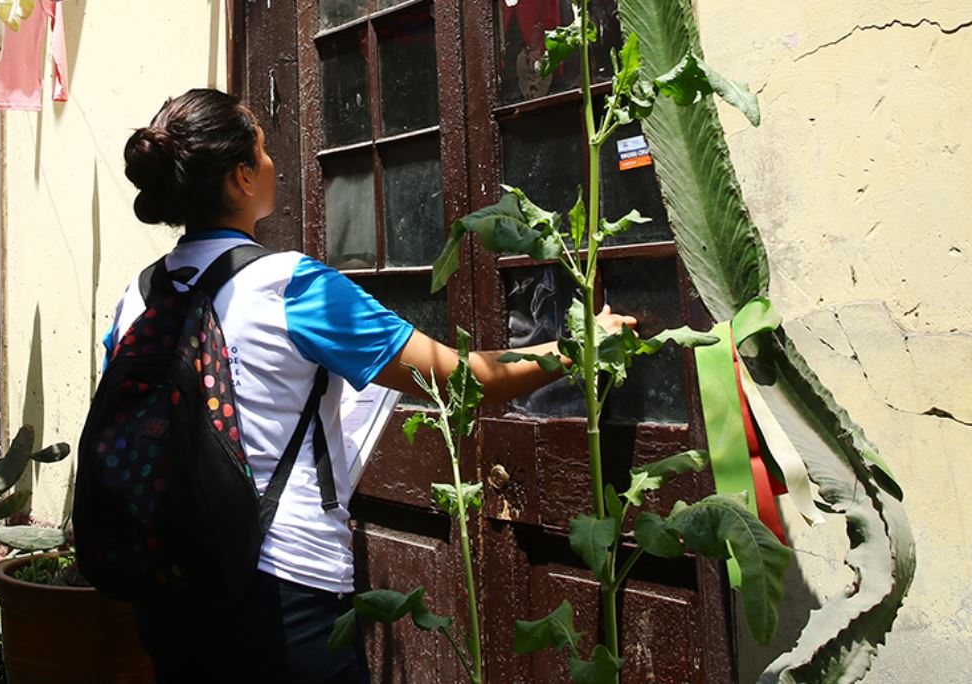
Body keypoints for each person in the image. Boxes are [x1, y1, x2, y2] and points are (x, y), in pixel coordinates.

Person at [103, 88, 633, 684]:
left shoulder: (139, 295)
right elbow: (462, 380)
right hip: (283, 586)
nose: (275, 162)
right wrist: (576, 348)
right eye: (265, 148)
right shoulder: (291, 286)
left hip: (166, 584)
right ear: (242, 176)